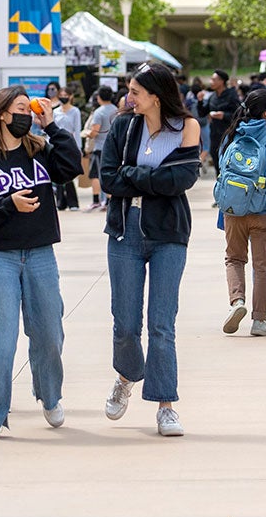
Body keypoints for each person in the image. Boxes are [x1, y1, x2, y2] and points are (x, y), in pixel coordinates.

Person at [0, 86, 82, 440]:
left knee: (49, 333)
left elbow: (71, 167)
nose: (27, 115)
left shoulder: (39, 150)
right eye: (20, 109)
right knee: (0, 338)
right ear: (1, 115)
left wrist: (52, 127)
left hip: (41, 252)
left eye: (30, 109)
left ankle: (50, 394)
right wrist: (8, 205)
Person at [97, 62, 201, 437]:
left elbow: (183, 178)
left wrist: (135, 178)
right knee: (125, 323)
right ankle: (126, 375)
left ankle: (165, 404)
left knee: (161, 323)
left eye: (136, 91)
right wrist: (154, 180)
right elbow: (109, 177)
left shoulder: (187, 127)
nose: (129, 97)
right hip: (125, 231)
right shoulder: (123, 126)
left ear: (155, 96)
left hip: (169, 234)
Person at [215, 88, 266, 337]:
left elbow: (221, 164)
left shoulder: (232, 133)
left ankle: (237, 301)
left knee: (234, 258)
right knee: (262, 265)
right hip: (264, 210)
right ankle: (259, 320)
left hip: (233, 209)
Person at [82, 85, 119, 211]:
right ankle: (109, 201)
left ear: (98, 97)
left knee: (95, 175)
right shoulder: (116, 110)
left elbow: (95, 131)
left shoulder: (99, 112)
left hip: (99, 148)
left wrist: (87, 133)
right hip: (114, 147)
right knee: (110, 174)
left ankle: (96, 201)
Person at [51, 87, 84, 211]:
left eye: (66, 94)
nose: (63, 96)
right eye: (61, 94)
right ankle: (60, 201)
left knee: (69, 173)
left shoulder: (75, 111)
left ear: (70, 96)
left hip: (70, 145)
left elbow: (77, 129)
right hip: (57, 145)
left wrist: (79, 148)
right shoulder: (55, 112)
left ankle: (73, 202)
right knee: (59, 172)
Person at [202, 70, 240, 165]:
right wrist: (199, 101)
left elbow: (238, 114)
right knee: (216, 159)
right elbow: (203, 112)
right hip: (214, 134)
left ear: (221, 81)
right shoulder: (212, 96)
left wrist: (224, 115)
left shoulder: (231, 95)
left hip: (228, 134)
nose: (211, 82)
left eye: (213, 80)